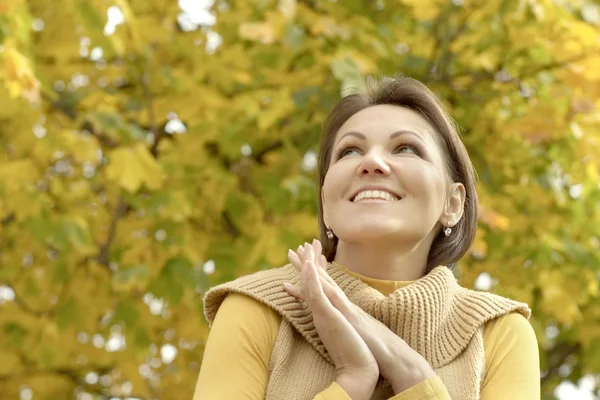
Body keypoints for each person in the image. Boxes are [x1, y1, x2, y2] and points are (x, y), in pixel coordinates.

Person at [193, 76, 540, 399]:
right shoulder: (258, 309)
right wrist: (351, 381)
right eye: (349, 151)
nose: (372, 162)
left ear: (453, 203)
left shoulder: (498, 334)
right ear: (326, 201)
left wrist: (408, 370)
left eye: (406, 148)